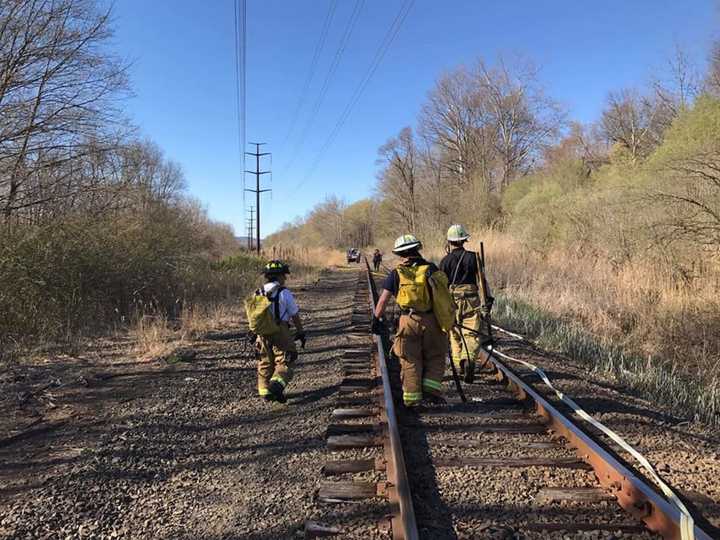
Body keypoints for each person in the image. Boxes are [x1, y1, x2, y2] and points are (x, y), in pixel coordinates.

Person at [372, 234, 450, 407]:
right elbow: (443, 296)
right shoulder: (431, 269)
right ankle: (430, 392)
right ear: (417, 249)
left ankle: (413, 400)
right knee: (435, 356)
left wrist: (376, 319)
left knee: (410, 359)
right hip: (431, 320)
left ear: (400, 254)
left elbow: (383, 299)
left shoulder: (397, 273)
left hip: (407, 321)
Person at [439, 224, 493, 384]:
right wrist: (487, 301)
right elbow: (482, 282)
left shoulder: (444, 261)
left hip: (452, 301)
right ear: (464, 240)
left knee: (454, 334)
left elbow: (441, 287)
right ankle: (468, 360)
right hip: (471, 300)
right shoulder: (474, 257)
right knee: (472, 334)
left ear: (449, 241)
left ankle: (459, 365)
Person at [254, 260, 306, 403]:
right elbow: (294, 314)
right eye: (284, 275)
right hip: (280, 331)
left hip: (261, 333)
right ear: (278, 276)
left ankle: (265, 392)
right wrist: (301, 332)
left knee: (264, 362)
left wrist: (254, 333)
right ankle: (275, 387)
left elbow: (254, 316)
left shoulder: (257, 292)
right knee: (286, 360)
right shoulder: (284, 293)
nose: (286, 278)